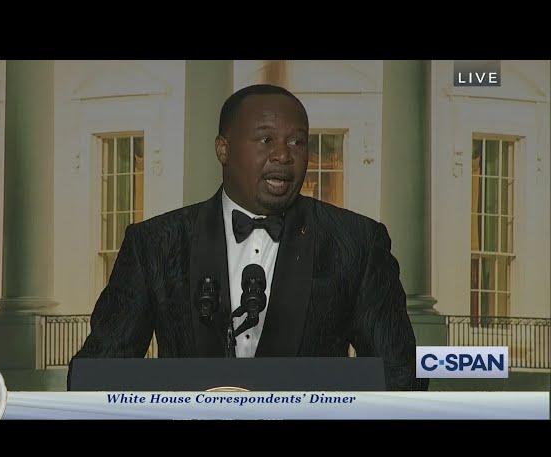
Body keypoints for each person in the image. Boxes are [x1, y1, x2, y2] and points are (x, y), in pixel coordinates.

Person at [71, 84, 426, 391]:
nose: (284, 154)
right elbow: (98, 372)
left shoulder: (358, 242)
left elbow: (399, 373)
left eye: (298, 142)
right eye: (266, 139)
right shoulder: (154, 243)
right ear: (223, 149)